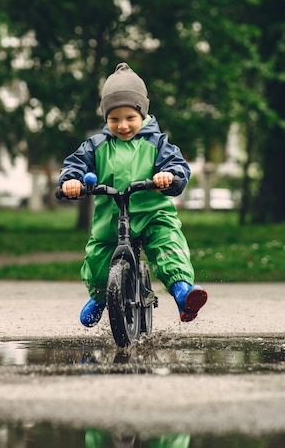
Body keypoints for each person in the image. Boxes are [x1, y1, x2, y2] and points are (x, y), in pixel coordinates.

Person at [58, 62, 207, 327]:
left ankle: (183, 291)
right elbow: (75, 164)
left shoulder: (158, 143)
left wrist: (168, 176)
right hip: (111, 219)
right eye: (114, 119)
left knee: (168, 245)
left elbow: (178, 167)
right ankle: (101, 296)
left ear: (143, 114)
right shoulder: (97, 145)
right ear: (106, 118)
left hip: (153, 214)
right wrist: (72, 181)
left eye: (130, 118)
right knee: (97, 258)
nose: (123, 125)